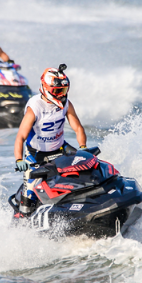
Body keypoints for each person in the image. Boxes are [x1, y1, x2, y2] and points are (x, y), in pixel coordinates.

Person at [13, 65, 87, 218]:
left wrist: (83, 147)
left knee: (86, 168)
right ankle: (22, 218)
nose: (61, 95)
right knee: (29, 197)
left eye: (64, 91)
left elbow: (78, 128)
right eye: (58, 91)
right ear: (46, 88)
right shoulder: (35, 107)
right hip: (35, 155)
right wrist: (19, 159)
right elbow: (20, 136)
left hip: (60, 149)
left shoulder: (66, 104)